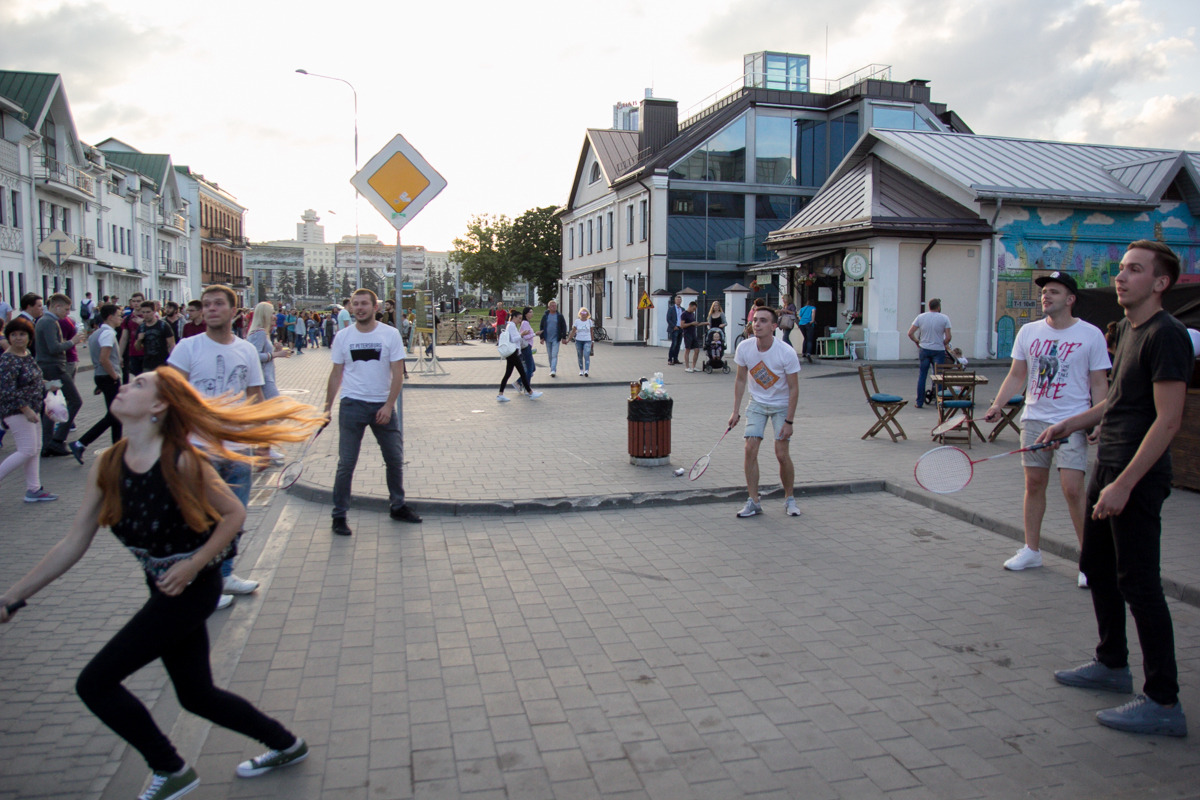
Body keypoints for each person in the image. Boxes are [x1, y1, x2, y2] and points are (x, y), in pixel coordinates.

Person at [0, 368, 321, 800]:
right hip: (163, 588)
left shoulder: (183, 460)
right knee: (197, 696)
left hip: (193, 588)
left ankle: (169, 768)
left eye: (139, 384)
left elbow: (234, 515)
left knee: (95, 683)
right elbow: (73, 541)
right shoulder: (107, 464)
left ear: (157, 406)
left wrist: (195, 563)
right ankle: (286, 744)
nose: (126, 386)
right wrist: (13, 596)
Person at [1040, 240, 1192, 738]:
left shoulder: (1166, 336)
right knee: (1098, 568)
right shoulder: (1125, 329)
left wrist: (1125, 485)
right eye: (1121, 269)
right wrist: (1071, 423)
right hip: (1108, 464)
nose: (1121, 278)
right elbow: (1118, 404)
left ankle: (1164, 701)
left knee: (1140, 584)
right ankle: (1111, 664)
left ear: (1161, 282)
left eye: (1135, 270)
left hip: (1137, 477)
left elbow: (1167, 422)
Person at [982, 272, 1110, 587]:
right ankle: (1031, 550)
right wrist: (998, 404)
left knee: (1072, 488)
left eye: (1053, 292)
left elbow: (1099, 383)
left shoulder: (1090, 335)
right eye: (1044, 292)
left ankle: (1088, 560)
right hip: (1035, 418)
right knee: (1034, 485)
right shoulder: (1028, 331)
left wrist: (1099, 420)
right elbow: (1017, 375)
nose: (1046, 297)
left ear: (1070, 299)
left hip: (1073, 420)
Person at [168, 285, 264, 609]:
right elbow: (171, 393)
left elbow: (255, 398)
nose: (210, 309)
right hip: (199, 447)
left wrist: (262, 441)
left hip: (237, 448)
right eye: (206, 304)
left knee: (234, 517)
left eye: (218, 304)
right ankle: (202, 584)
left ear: (234, 311)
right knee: (203, 519)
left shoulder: (247, 350)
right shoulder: (187, 347)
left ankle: (224, 575)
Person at [324, 288, 422, 537]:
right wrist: (326, 409)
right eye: (355, 304)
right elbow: (336, 374)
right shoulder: (343, 337)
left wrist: (389, 406)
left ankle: (397, 506)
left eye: (364, 304)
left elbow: (398, 373)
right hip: (352, 406)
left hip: (382, 406)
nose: (359, 308)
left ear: (374, 307)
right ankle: (339, 515)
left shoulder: (390, 334)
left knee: (394, 459)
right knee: (346, 463)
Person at [729, 306, 802, 519]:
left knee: (781, 454)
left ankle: (789, 498)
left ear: (774, 326)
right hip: (757, 403)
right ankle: (753, 501)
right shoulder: (745, 347)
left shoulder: (785, 352)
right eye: (755, 320)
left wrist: (789, 421)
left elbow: (794, 389)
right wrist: (735, 412)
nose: (757, 324)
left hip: (781, 405)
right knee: (750, 448)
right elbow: (740, 379)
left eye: (762, 321)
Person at [0, 317, 56, 502]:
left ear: (29, 337)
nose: (17, 338)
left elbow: (32, 380)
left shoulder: (26, 354)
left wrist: (47, 385)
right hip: (17, 411)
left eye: (22, 334)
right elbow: (7, 390)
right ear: (8, 337)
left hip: (33, 408)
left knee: (35, 449)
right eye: (13, 335)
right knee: (26, 450)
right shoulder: (8, 360)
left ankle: (34, 489)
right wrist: (25, 409)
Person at [70, 305, 126, 462]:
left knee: (116, 415)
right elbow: (103, 358)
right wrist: (114, 375)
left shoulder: (96, 333)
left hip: (102, 376)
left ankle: (117, 448)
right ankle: (81, 442)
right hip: (108, 377)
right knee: (114, 414)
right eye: (118, 315)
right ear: (109, 317)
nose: (120, 318)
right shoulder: (108, 333)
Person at [35, 293, 87, 457]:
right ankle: (56, 440)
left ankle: (48, 443)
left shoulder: (45, 321)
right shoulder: (49, 322)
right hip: (54, 368)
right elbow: (53, 347)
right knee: (75, 401)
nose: (67, 313)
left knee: (51, 405)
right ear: (56, 306)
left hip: (49, 367)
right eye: (65, 309)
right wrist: (73, 341)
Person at [907, 298, 952, 408]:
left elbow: (910, 333)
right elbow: (948, 337)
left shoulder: (921, 317)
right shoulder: (944, 318)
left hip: (924, 348)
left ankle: (919, 402)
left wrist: (917, 341)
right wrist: (944, 343)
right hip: (938, 350)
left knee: (922, 375)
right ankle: (939, 401)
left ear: (929, 306)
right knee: (939, 376)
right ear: (938, 307)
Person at [247, 302, 292, 400]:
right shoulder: (260, 332)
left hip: (267, 377)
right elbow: (255, 356)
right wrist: (276, 354)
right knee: (277, 407)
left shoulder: (263, 332)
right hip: (264, 378)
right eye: (272, 313)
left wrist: (275, 349)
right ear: (264, 315)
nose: (275, 317)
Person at [496, 307, 541, 403]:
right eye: (519, 318)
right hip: (513, 353)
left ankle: (500, 394)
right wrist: (521, 334)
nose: (520, 321)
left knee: (508, 374)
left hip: (513, 352)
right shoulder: (511, 326)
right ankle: (530, 392)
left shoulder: (511, 326)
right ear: (514, 318)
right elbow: (513, 339)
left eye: (521, 318)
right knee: (522, 373)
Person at [136, 300, 176, 371]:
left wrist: (172, 362)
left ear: (154, 312)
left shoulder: (163, 325)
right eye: (143, 312)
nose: (146, 315)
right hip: (148, 364)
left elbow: (172, 344)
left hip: (162, 363)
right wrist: (139, 340)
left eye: (148, 312)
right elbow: (138, 348)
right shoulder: (142, 327)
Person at [539, 299, 569, 377]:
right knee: (550, 355)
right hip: (547, 338)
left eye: (555, 305)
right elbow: (541, 326)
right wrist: (541, 337)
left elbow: (563, 326)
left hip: (556, 338)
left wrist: (563, 337)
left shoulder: (559, 316)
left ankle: (553, 370)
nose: (554, 307)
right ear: (549, 307)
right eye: (552, 305)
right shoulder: (545, 316)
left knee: (554, 354)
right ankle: (551, 368)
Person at [569, 307, 594, 376]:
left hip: (587, 340)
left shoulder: (589, 321)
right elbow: (573, 331)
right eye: (582, 313)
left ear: (587, 314)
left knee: (586, 355)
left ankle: (586, 370)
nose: (583, 314)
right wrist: (569, 339)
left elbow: (592, 332)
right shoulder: (577, 321)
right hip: (579, 340)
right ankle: (581, 370)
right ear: (580, 314)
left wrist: (593, 341)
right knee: (580, 355)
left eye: (585, 313)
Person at [681, 301, 702, 372]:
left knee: (697, 349)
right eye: (693, 309)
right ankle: (687, 367)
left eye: (695, 309)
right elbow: (682, 325)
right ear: (690, 306)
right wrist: (691, 323)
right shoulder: (684, 314)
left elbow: (694, 323)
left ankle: (694, 366)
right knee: (688, 350)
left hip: (693, 333)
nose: (694, 310)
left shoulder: (692, 314)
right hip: (687, 334)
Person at [518, 306, 537, 382]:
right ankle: (526, 387)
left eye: (532, 312)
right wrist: (535, 334)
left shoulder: (526, 322)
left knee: (532, 368)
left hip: (528, 347)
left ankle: (519, 382)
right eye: (530, 312)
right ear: (526, 314)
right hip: (526, 347)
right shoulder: (525, 323)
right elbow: (525, 336)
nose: (532, 314)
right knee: (530, 368)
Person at [666, 295, 684, 366]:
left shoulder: (683, 309)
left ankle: (676, 359)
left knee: (678, 345)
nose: (679, 301)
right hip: (674, 329)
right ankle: (670, 359)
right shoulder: (671, 309)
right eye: (677, 299)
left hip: (680, 328)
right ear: (675, 301)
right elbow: (668, 319)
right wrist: (673, 326)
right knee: (674, 344)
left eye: (680, 300)